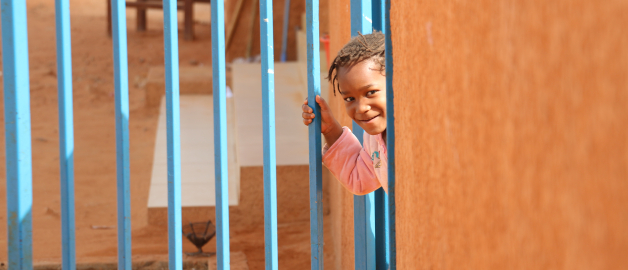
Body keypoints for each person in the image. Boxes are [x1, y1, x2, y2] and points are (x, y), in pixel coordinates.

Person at [302, 31, 388, 195]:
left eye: (371, 93)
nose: (361, 108)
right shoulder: (373, 140)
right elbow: (359, 179)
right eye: (349, 99)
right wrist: (330, 130)